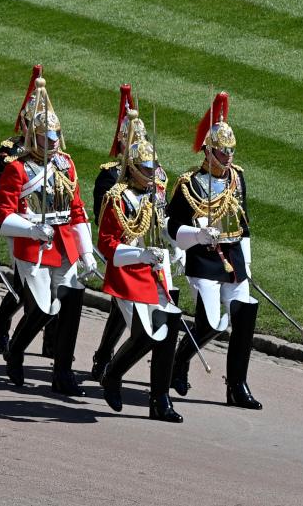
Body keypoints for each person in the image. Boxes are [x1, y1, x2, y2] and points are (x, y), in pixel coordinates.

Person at [0, 78, 97, 395]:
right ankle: (16, 351)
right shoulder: (18, 168)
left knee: (66, 309)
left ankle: (62, 373)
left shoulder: (66, 164)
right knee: (41, 308)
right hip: (34, 246)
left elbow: (77, 210)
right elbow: (3, 213)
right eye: (45, 137)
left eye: (54, 136)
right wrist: (30, 228)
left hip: (64, 244)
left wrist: (87, 253)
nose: (52, 142)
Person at [167, 92, 261, 410]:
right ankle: (178, 361)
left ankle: (237, 385)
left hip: (233, 256)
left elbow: (243, 224)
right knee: (209, 323)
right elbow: (170, 226)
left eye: (231, 151)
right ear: (209, 151)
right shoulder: (188, 184)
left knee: (244, 314)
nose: (229, 157)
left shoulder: (238, 179)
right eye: (223, 152)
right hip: (204, 257)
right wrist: (195, 235)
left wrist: (246, 262)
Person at [96, 110, 184, 422]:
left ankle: (160, 398)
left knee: (168, 326)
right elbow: (106, 244)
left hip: (156, 270)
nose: (152, 173)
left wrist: (178, 247)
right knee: (146, 334)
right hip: (128, 273)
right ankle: (113, 374)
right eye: (146, 169)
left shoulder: (156, 195)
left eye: (153, 167)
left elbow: (163, 227)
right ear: (132, 169)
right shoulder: (118, 197)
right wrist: (140, 255)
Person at [0, 65, 57, 356]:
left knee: (53, 283)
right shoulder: (10, 150)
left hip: (48, 222)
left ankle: (49, 343)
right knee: (24, 281)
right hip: (19, 220)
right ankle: (4, 322)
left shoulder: (52, 152)